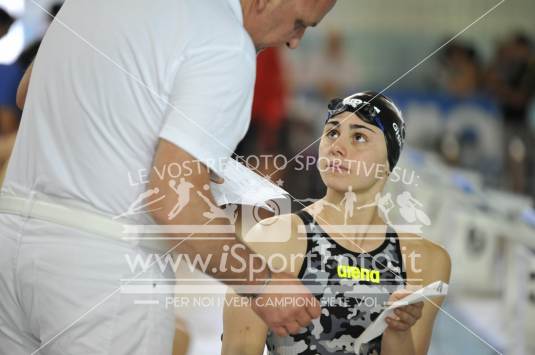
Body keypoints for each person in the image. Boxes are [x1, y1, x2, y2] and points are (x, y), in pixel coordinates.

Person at [0, 0, 337, 354]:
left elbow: (29, 91)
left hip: (11, 246)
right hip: (103, 270)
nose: (295, 40)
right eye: (299, 23)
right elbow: (177, 206)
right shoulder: (225, 42)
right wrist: (263, 284)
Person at [222, 92, 451, 355]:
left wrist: (398, 332)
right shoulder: (273, 239)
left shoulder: (425, 260)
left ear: (388, 163)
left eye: (359, 137)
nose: (337, 147)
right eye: (332, 132)